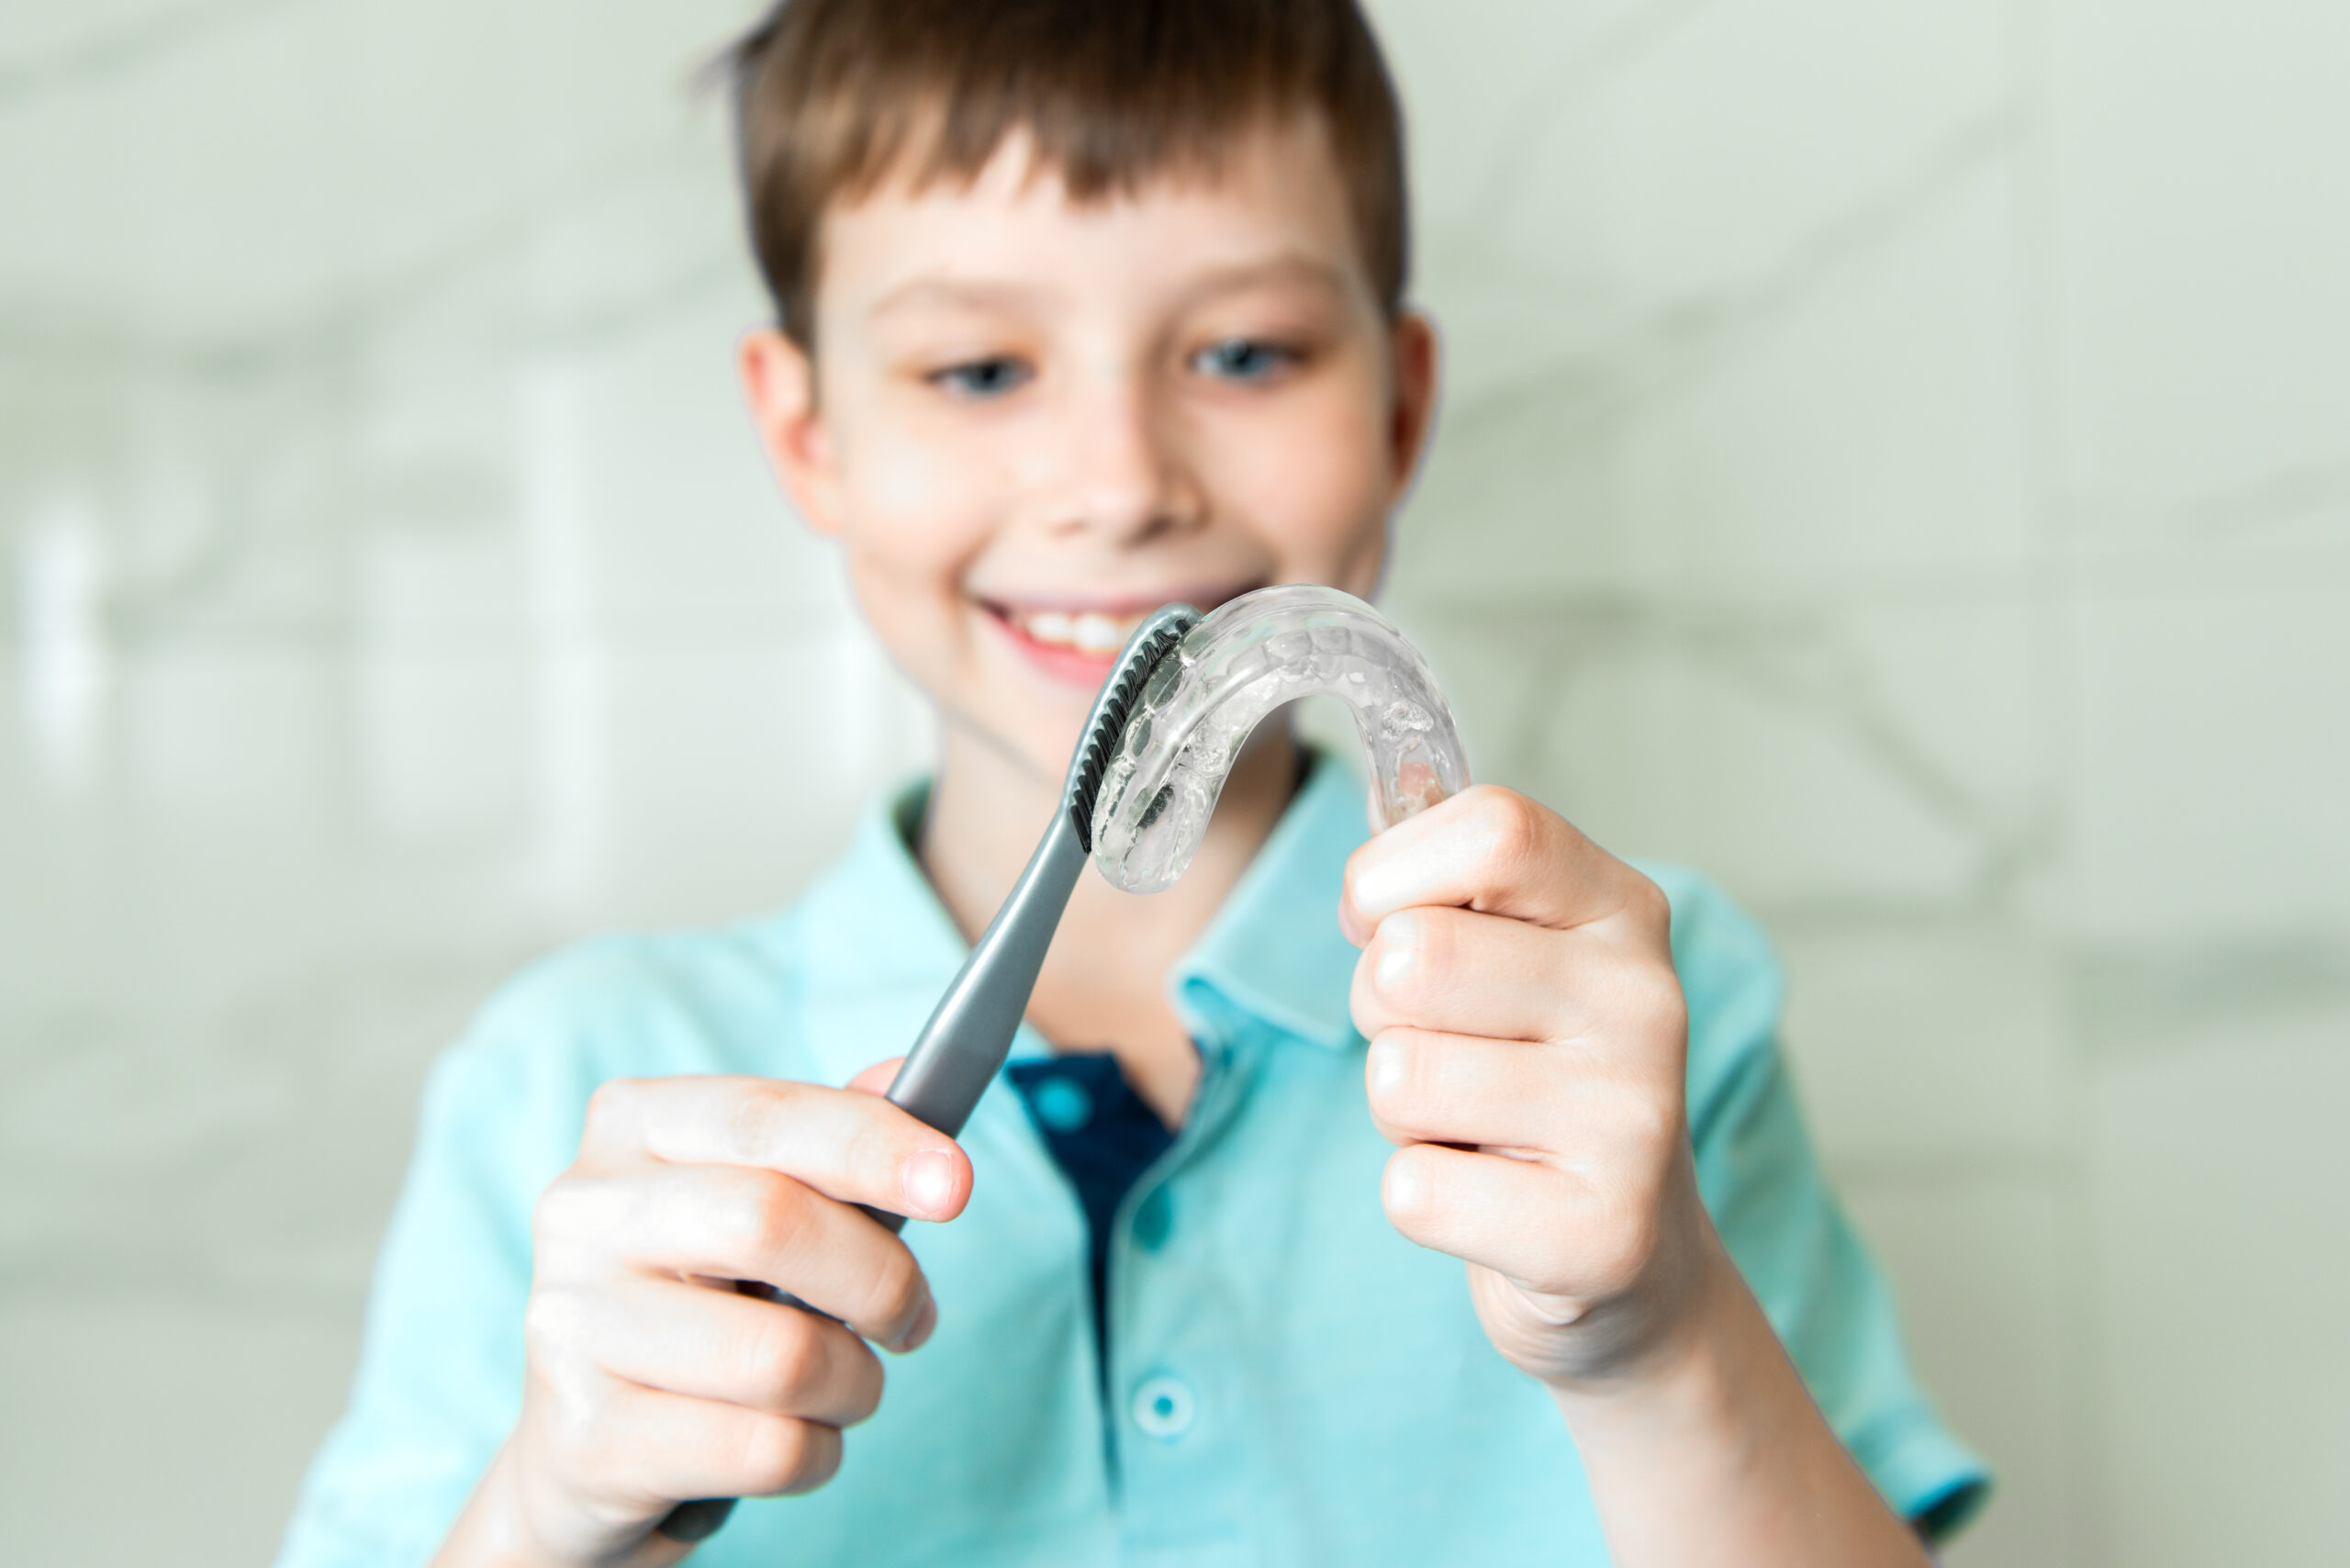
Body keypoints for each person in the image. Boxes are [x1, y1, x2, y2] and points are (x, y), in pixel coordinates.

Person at [277, 2, 1988, 1563]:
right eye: (978, 370)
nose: (1118, 485)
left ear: (1400, 408)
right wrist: (551, 1514)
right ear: (807, 435)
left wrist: (1657, 1339)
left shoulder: (1642, 1027)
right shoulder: (569, 1094)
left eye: (1243, 353)